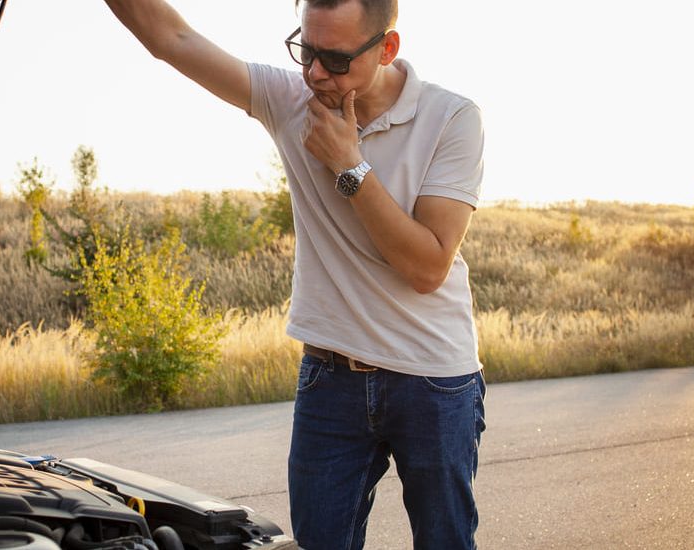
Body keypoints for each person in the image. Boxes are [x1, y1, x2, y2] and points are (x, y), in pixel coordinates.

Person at [103, 0, 487, 547]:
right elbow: (173, 39)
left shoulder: (453, 117)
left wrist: (349, 166)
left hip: (433, 381)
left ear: (387, 48)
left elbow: (427, 267)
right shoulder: (291, 99)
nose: (314, 74)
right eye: (306, 51)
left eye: (335, 59)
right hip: (330, 382)